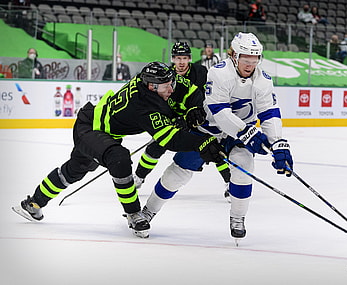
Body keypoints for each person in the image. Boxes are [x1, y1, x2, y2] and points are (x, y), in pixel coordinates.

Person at [12, 61, 225, 238]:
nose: (171, 88)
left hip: (104, 130)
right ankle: (134, 215)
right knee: (119, 158)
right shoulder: (143, 106)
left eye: (172, 82)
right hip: (90, 129)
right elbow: (169, 139)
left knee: (74, 170)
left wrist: (194, 108)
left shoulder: (156, 83)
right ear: (151, 87)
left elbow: (187, 90)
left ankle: (33, 203)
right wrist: (200, 142)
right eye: (166, 86)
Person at [138, 32, 294, 241]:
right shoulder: (219, 73)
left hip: (238, 134)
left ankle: (238, 217)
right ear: (234, 56)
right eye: (246, 58)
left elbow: (270, 112)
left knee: (244, 166)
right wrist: (246, 132)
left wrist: (278, 143)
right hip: (208, 130)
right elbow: (219, 112)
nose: (250, 64)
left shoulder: (263, 80)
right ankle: (149, 210)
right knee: (178, 173)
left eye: (254, 59)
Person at [133, 42, 231, 199]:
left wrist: (188, 118)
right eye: (178, 58)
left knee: (212, 147)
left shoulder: (201, 72)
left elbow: (206, 98)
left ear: (190, 59)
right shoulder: (165, 74)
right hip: (173, 119)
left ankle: (230, 182)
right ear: (172, 59)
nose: (181, 62)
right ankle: (138, 177)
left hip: (198, 120)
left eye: (184, 58)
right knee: (155, 147)